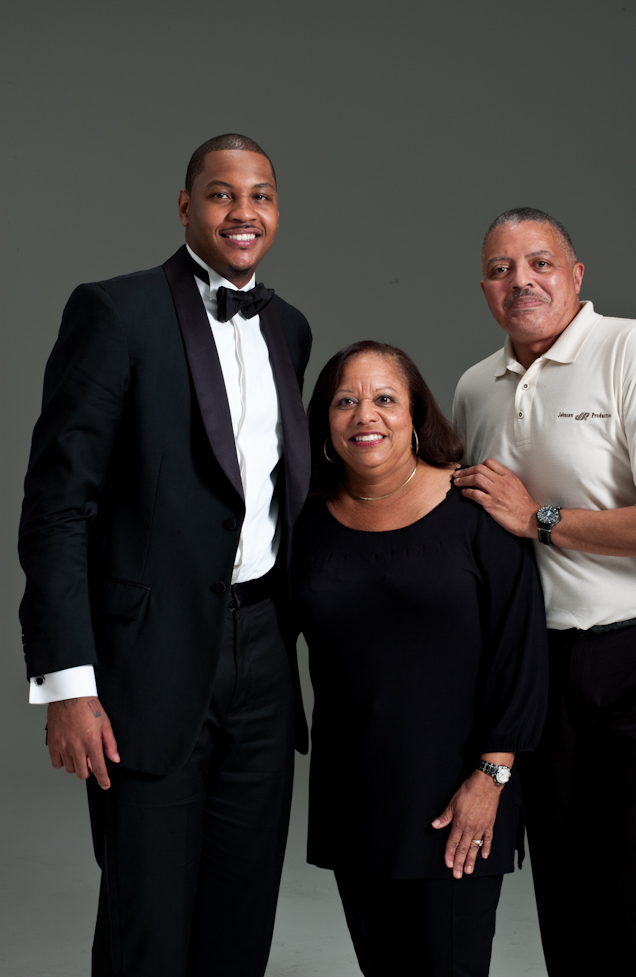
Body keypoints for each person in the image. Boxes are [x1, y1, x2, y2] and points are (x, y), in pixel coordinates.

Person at [18, 133, 312, 977]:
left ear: (277, 212)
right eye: (221, 195)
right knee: (146, 921)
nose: (242, 212)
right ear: (186, 207)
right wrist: (69, 684)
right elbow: (56, 506)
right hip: (144, 661)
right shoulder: (115, 312)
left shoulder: (289, 328)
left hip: (262, 649)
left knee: (242, 911)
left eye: (259, 196)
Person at [452, 208, 636, 977]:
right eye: (503, 269)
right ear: (484, 288)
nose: (523, 282)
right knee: (575, 914)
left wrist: (541, 519)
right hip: (550, 673)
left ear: (577, 276)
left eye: (541, 263)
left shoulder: (635, 350)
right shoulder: (476, 389)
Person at [293, 340, 547, 977]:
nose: (364, 416)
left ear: (415, 416)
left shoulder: (476, 512)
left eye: (384, 399)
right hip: (355, 795)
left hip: (460, 795)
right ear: (324, 422)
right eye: (344, 402)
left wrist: (492, 779)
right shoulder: (306, 525)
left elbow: (521, 652)